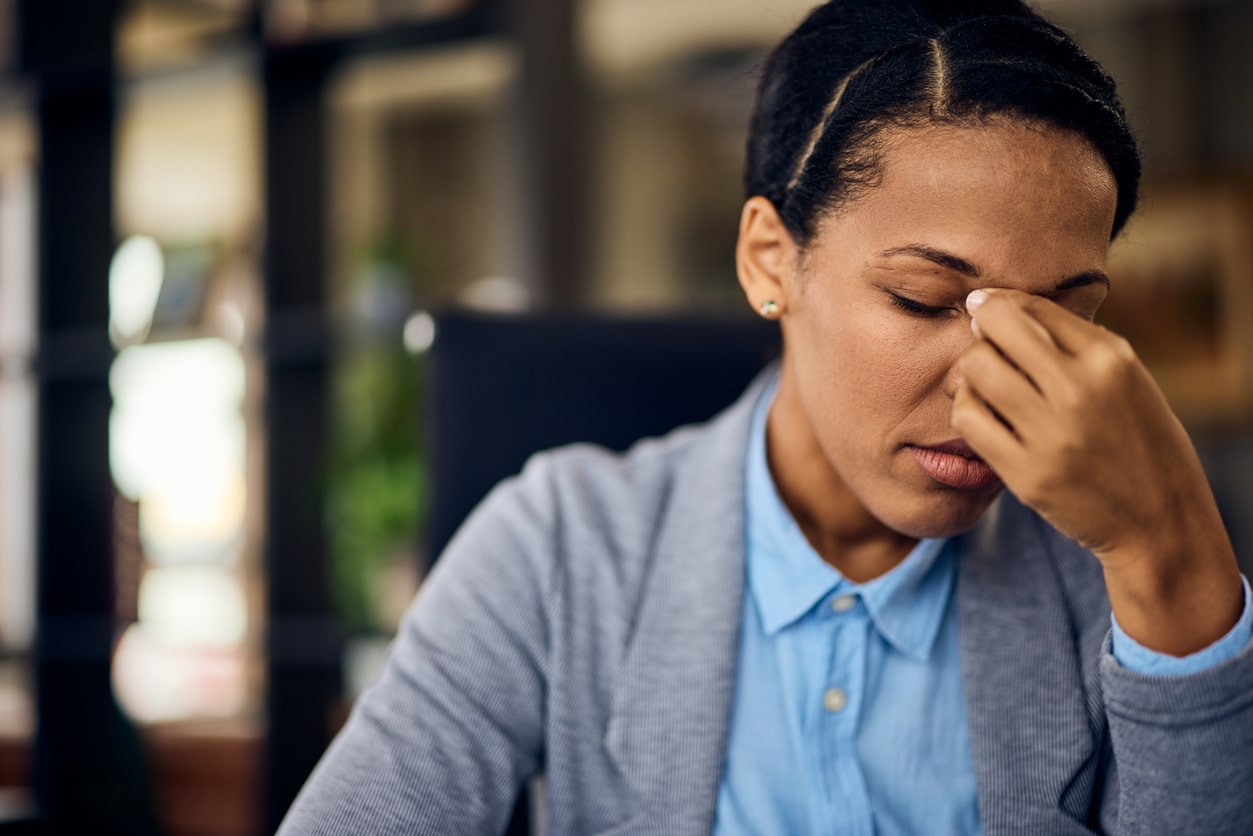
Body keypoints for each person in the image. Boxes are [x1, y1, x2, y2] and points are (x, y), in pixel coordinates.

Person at [279, 1, 1253, 833]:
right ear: (767, 260)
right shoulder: (563, 550)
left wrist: (1166, 551)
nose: (992, 384)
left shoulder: (1120, 568)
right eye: (921, 298)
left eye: (1060, 322)